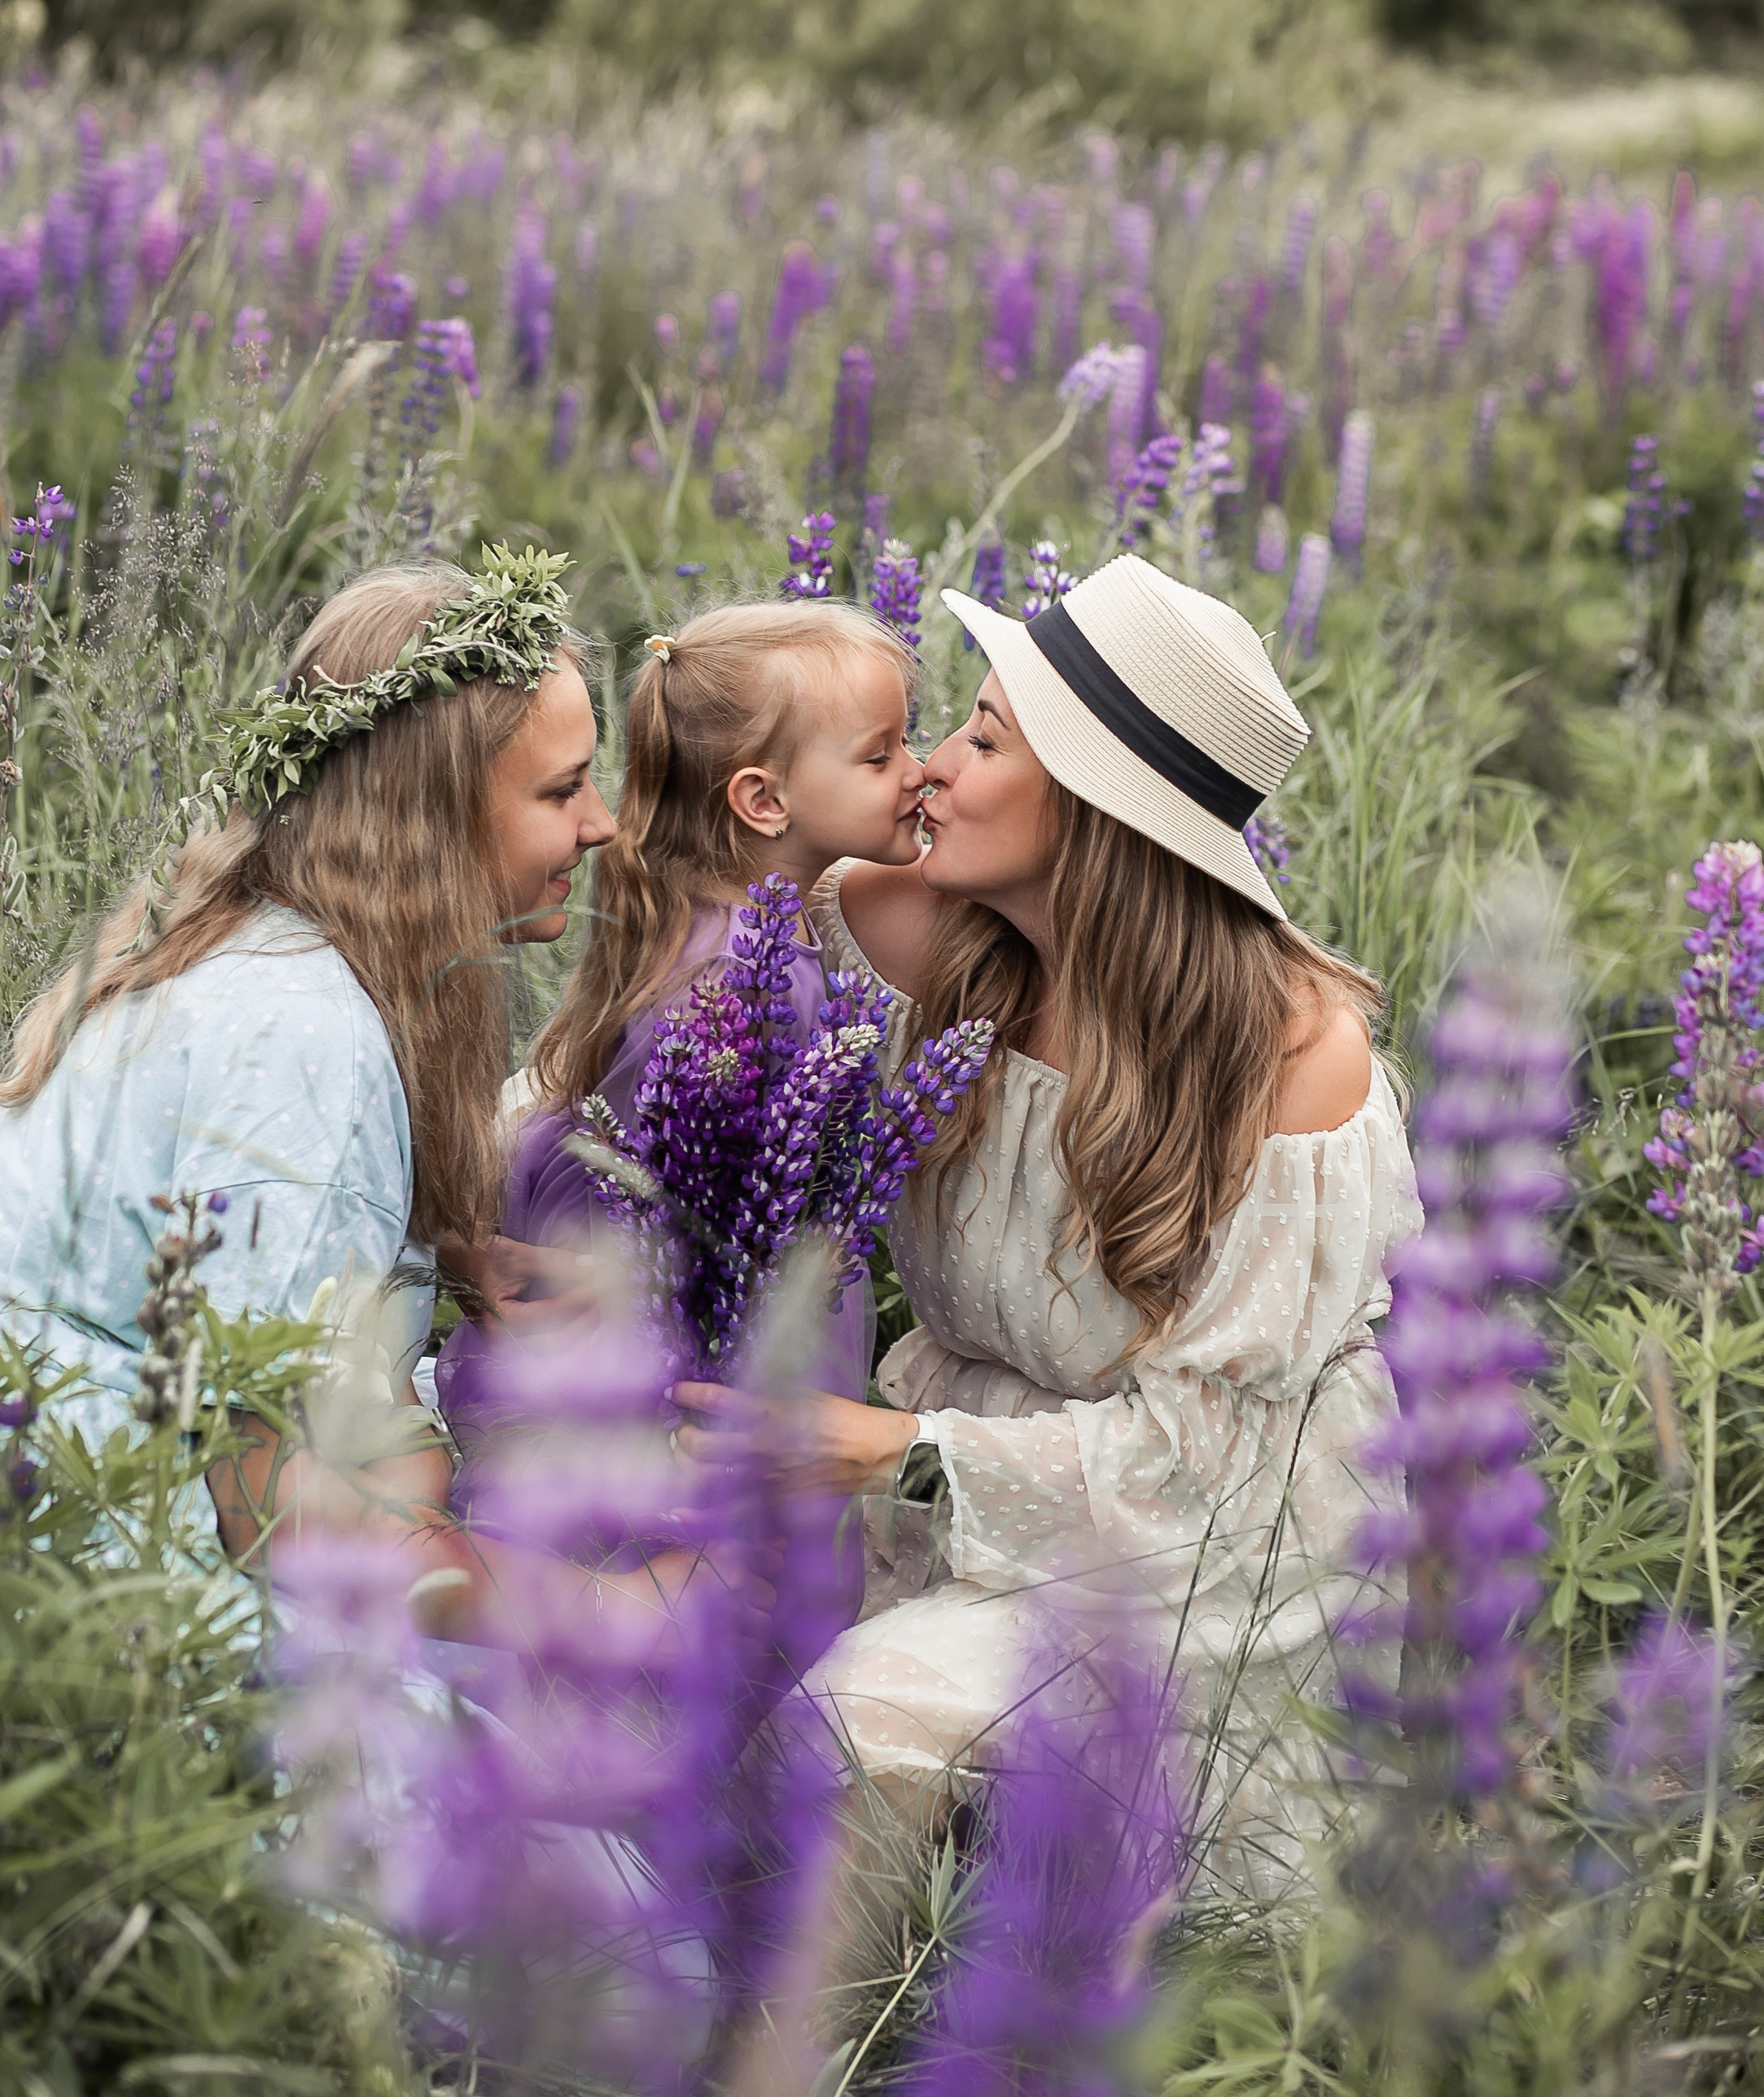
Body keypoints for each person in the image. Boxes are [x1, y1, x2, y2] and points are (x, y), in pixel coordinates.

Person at [673, 554, 1425, 1889]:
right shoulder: (924, 932)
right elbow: (685, 976)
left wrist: (900, 1449)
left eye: (982, 737)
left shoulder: (1294, 1058)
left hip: (1203, 1560)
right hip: (959, 1494)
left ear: (1093, 805)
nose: (933, 769)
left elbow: (1208, 1466)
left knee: (850, 1747)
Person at [0, 545, 733, 1659]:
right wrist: (615, 1612)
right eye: (560, 790)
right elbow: (278, 1512)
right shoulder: (309, 1040)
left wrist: (432, 1260)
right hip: (92, 1566)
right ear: (433, 821)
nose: (600, 824)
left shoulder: (265, 945)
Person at [434, 598, 926, 1655]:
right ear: (763, 798)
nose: (918, 772)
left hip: (656, 1384)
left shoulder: (704, 927)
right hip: (682, 1432)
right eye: (882, 754)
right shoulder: (749, 993)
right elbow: (692, 1262)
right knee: (701, 1675)